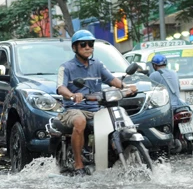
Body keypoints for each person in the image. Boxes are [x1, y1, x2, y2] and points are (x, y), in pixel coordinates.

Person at [56, 30, 136, 176]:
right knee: (79, 121)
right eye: (83, 44)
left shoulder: (97, 64)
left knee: (117, 119)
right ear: (75, 48)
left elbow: (112, 80)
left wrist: (126, 87)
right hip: (73, 109)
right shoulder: (66, 67)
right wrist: (73, 95)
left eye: (90, 44)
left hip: (96, 109)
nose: (88, 47)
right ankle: (78, 163)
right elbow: (61, 87)